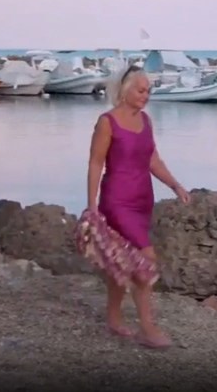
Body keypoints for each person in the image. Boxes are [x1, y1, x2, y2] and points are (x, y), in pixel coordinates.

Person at [76, 63, 191, 350]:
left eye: (149, 91)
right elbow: (95, 164)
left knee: (120, 260)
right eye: (141, 90)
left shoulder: (146, 121)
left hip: (143, 200)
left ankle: (114, 318)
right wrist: (92, 207)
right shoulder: (107, 122)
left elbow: (153, 160)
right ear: (125, 91)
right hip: (117, 201)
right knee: (146, 259)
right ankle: (148, 329)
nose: (146, 95)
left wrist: (175, 185)